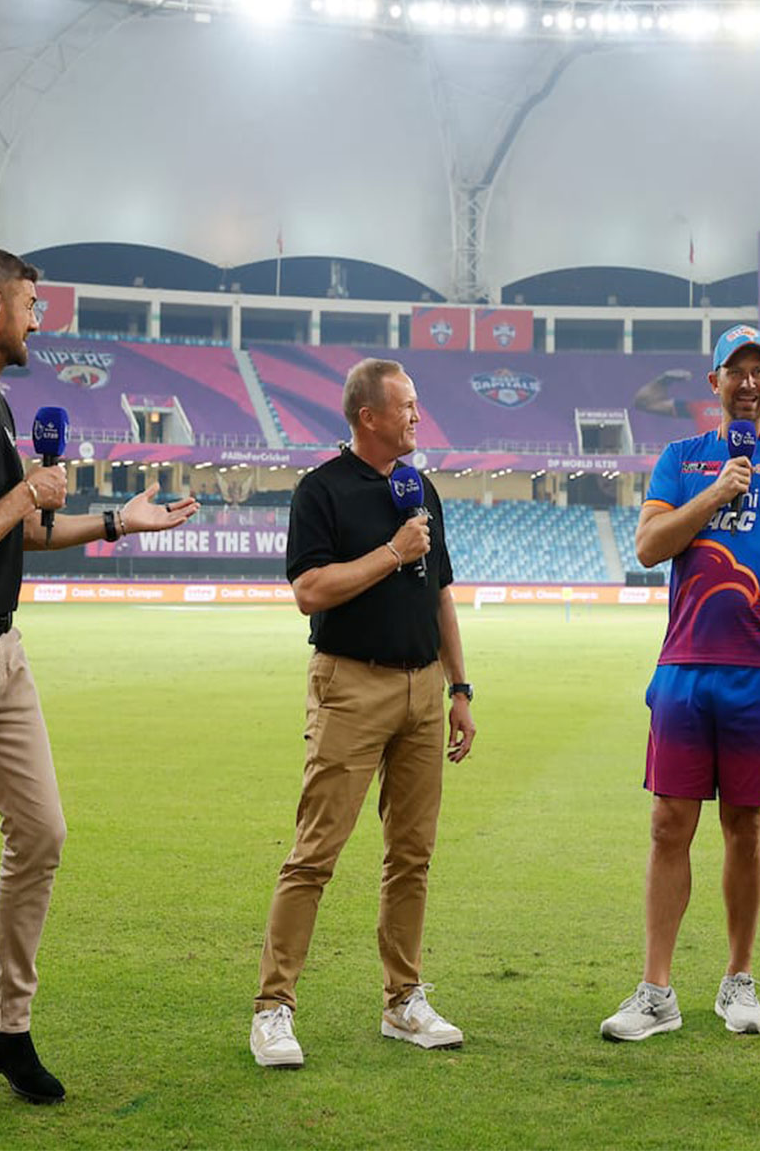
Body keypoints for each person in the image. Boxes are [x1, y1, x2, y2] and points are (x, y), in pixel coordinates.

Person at [0, 248, 198, 1136]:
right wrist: (26, 490)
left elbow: (16, 530)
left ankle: (4, 1029)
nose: (37, 320)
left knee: (44, 831)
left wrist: (114, 523)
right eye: (28, 305)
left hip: (2, 649)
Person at [600, 324, 760, 1042]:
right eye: (734, 370)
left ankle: (738, 980)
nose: (748, 381)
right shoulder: (681, 459)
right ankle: (656, 992)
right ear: (714, 384)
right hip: (683, 667)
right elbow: (647, 547)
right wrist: (714, 495)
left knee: (747, 827)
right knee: (669, 824)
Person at [250, 358, 477, 1070]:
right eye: (406, 406)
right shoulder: (321, 491)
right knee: (315, 854)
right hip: (351, 685)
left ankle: (402, 1000)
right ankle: (273, 1010)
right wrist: (391, 551)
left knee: (411, 856)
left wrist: (461, 689)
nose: (416, 415)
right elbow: (310, 590)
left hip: (423, 690)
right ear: (367, 416)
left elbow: (440, 592)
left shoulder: (422, 490)